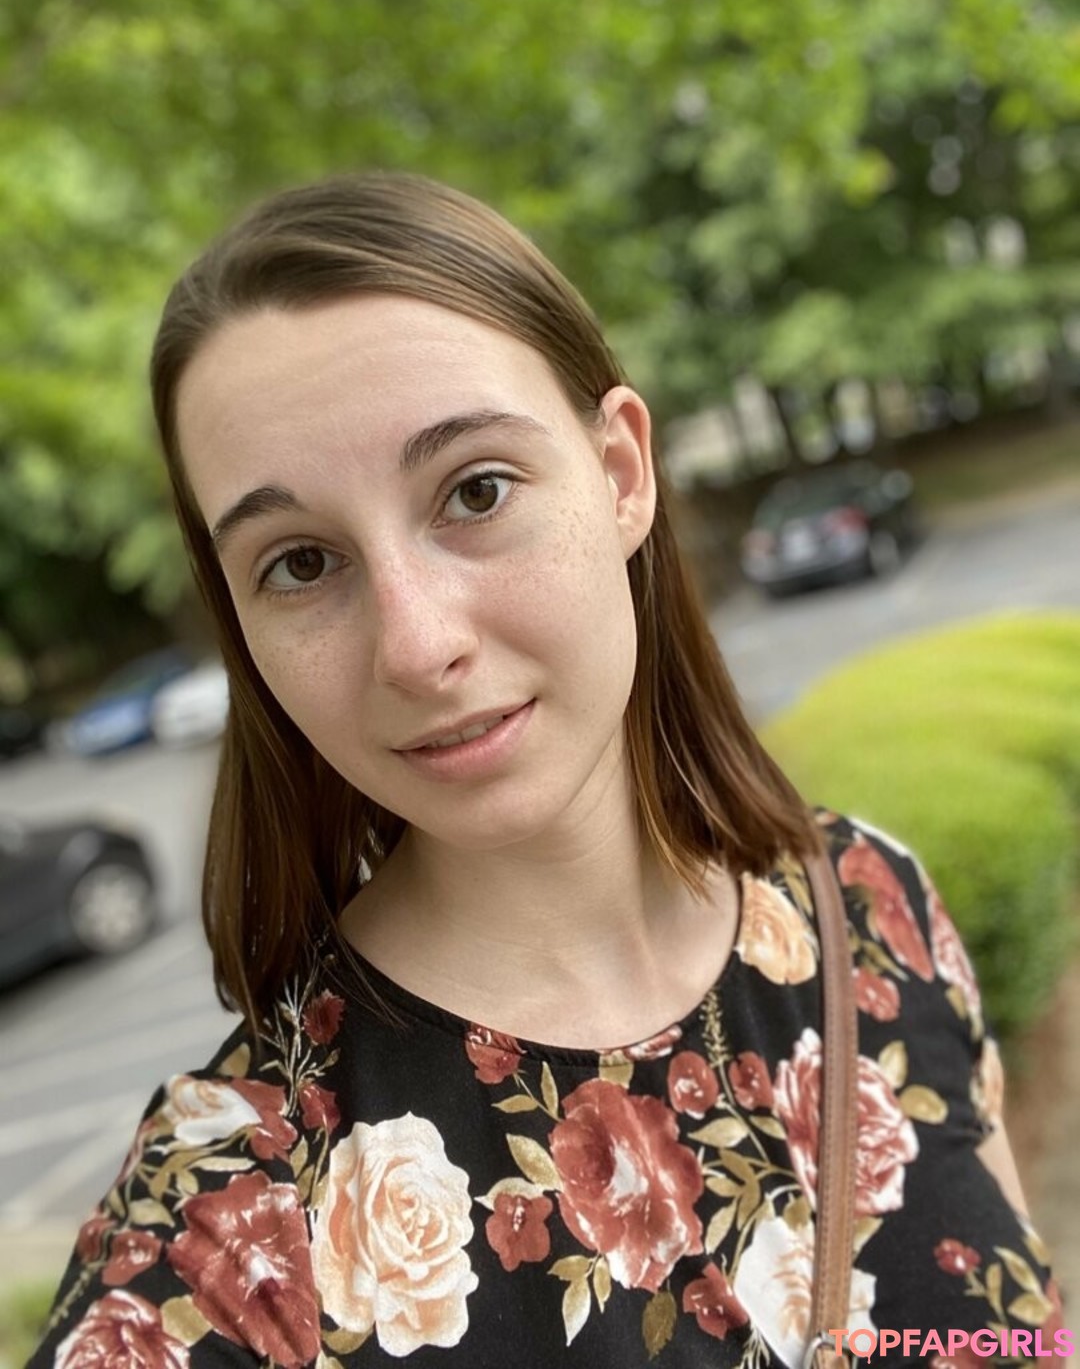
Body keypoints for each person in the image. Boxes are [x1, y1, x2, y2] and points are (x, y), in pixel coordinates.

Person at [29, 172, 1061, 1369]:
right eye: (300, 562)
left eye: (475, 491)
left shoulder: (872, 910)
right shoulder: (217, 1246)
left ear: (621, 473)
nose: (418, 645)